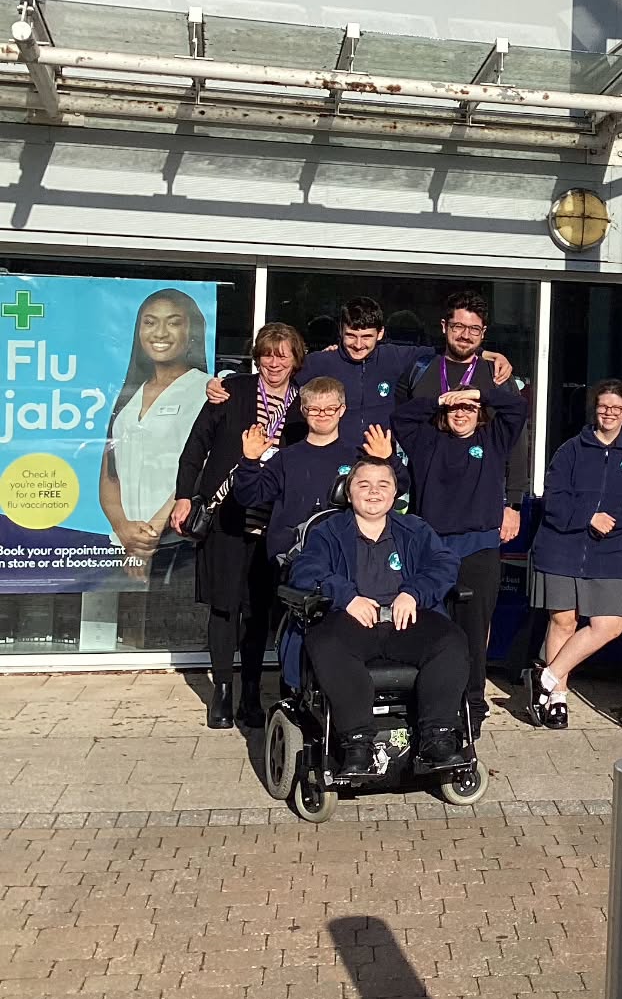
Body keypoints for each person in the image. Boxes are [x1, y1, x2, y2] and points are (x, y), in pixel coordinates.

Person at [289, 457, 470, 777]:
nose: (373, 492)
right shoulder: (327, 532)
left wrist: (413, 592)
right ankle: (356, 744)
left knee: (451, 641)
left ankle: (437, 738)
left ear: (394, 492)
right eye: (364, 484)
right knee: (327, 643)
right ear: (349, 491)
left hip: (406, 618)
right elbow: (305, 570)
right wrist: (347, 597)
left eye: (382, 485)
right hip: (350, 620)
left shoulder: (415, 529)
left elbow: (444, 565)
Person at [172, 323, 307, 731]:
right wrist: (183, 495)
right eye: (267, 354)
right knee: (224, 605)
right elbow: (196, 445)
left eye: (282, 354)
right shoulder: (233, 391)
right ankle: (222, 693)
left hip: (274, 522)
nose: (274, 362)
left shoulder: (305, 404)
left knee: (260, 610)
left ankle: (251, 693)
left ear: (296, 359)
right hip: (227, 515)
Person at [391, 371, 530, 726]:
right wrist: (440, 398)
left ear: (480, 412)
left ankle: (473, 705)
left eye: (470, 408)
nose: (462, 413)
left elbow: (516, 408)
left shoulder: (493, 438)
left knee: (473, 630)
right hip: (433, 551)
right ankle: (434, 701)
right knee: (433, 627)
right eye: (456, 407)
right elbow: (400, 417)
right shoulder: (426, 440)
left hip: (478, 550)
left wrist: (477, 391)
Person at [205, 294, 513, 453]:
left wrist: (489, 353)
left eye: (367, 337)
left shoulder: (397, 356)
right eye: (351, 335)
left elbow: (446, 348)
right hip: (328, 458)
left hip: (379, 461)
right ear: (340, 330)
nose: (358, 344)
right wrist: (224, 383)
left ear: (380, 333)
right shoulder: (319, 363)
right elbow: (275, 372)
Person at [526, 379, 622, 729]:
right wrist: (587, 517)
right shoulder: (571, 449)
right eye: (603, 407)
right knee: (563, 621)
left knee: (610, 625)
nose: (609, 413)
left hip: (608, 551)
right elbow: (552, 499)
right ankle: (556, 700)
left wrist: (610, 523)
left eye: (616, 408)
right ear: (594, 409)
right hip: (561, 547)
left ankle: (546, 677)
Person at [100, 288, 211, 578]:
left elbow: (201, 467)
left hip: (175, 543)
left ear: (192, 332)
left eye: (173, 322)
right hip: (123, 544)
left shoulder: (207, 391)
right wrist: (124, 529)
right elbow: (110, 474)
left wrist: (150, 535)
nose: (160, 332)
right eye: (149, 322)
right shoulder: (128, 395)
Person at [395, 289, 521, 544]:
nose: (465, 335)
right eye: (458, 326)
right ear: (444, 326)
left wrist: (513, 504)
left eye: (474, 329)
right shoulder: (420, 369)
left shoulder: (496, 376)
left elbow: (516, 443)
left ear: (483, 333)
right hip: (428, 507)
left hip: (480, 513)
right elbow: (399, 419)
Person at [231, 376, 400, 565]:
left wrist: (387, 460)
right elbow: (249, 496)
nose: (322, 414)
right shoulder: (284, 458)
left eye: (330, 408)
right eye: (314, 409)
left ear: (341, 410)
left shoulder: (358, 457)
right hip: (290, 556)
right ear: (304, 410)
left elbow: (396, 489)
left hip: (345, 554)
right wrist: (250, 462)